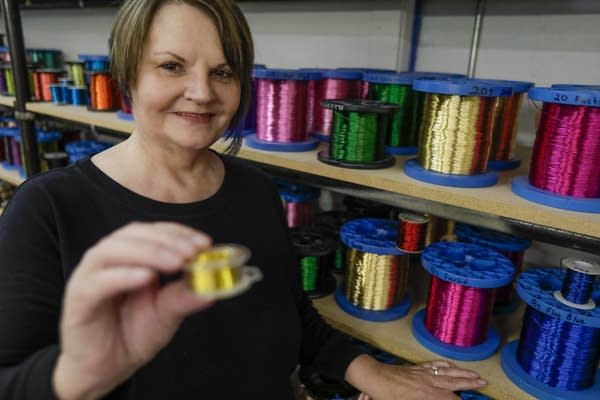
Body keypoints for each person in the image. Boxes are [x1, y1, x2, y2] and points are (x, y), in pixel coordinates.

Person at [0, 1, 488, 398]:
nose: (201, 92)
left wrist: (370, 372)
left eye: (223, 72)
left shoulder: (255, 188)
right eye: (172, 66)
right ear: (128, 74)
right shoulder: (49, 210)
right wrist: (79, 375)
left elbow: (288, 311)